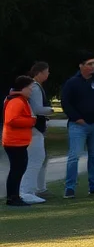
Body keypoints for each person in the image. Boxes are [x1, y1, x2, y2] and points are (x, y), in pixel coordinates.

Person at [59, 52, 94, 198]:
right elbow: (66, 102)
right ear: (81, 65)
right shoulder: (72, 82)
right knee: (74, 156)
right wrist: (76, 118)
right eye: (89, 64)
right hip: (78, 126)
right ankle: (70, 187)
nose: (92, 67)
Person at [19, 62, 53, 204]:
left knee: (40, 158)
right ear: (39, 73)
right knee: (35, 159)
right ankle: (26, 191)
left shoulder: (33, 86)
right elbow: (37, 108)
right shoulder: (36, 87)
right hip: (34, 129)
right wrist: (50, 110)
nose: (48, 74)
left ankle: (35, 189)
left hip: (33, 129)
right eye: (47, 71)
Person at [4, 76, 38, 207]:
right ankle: (13, 197)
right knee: (17, 170)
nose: (31, 91)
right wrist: (31, 121)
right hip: (14, 142)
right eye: (30, 88)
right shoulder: (17, 101)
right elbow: (11, 120)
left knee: (18, 169)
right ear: (23, 88)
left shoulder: (19, 100)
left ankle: (14, 196)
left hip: (17, 141)